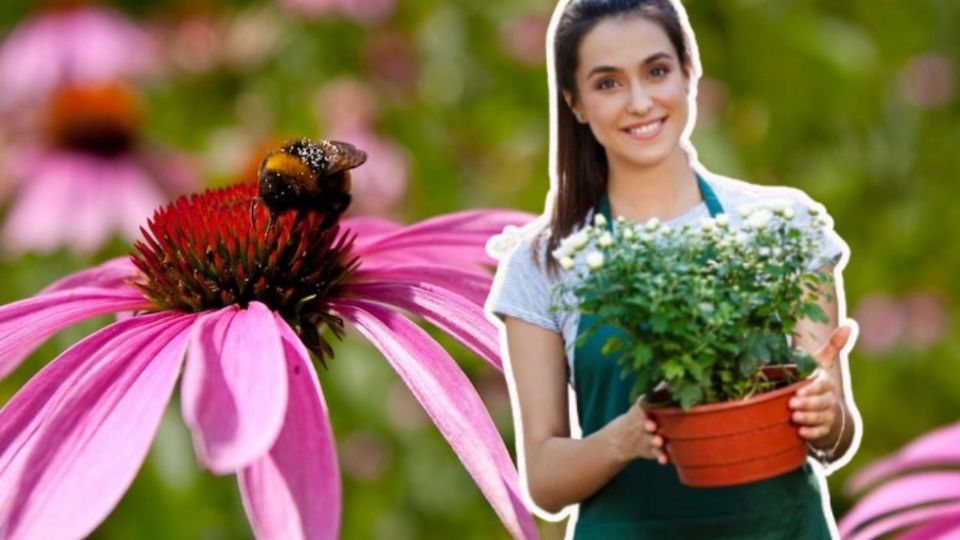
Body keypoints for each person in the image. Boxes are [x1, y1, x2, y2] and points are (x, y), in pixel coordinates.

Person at [485, 0, 861, 538]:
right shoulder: (545, 260)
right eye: (608, 84)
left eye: (656, 71)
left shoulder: (782, 228)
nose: (640, 102)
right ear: (575, 103)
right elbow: (543, 481)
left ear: (689, 74)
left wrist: (828, 413)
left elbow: (833, 437)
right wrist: (624, 437)